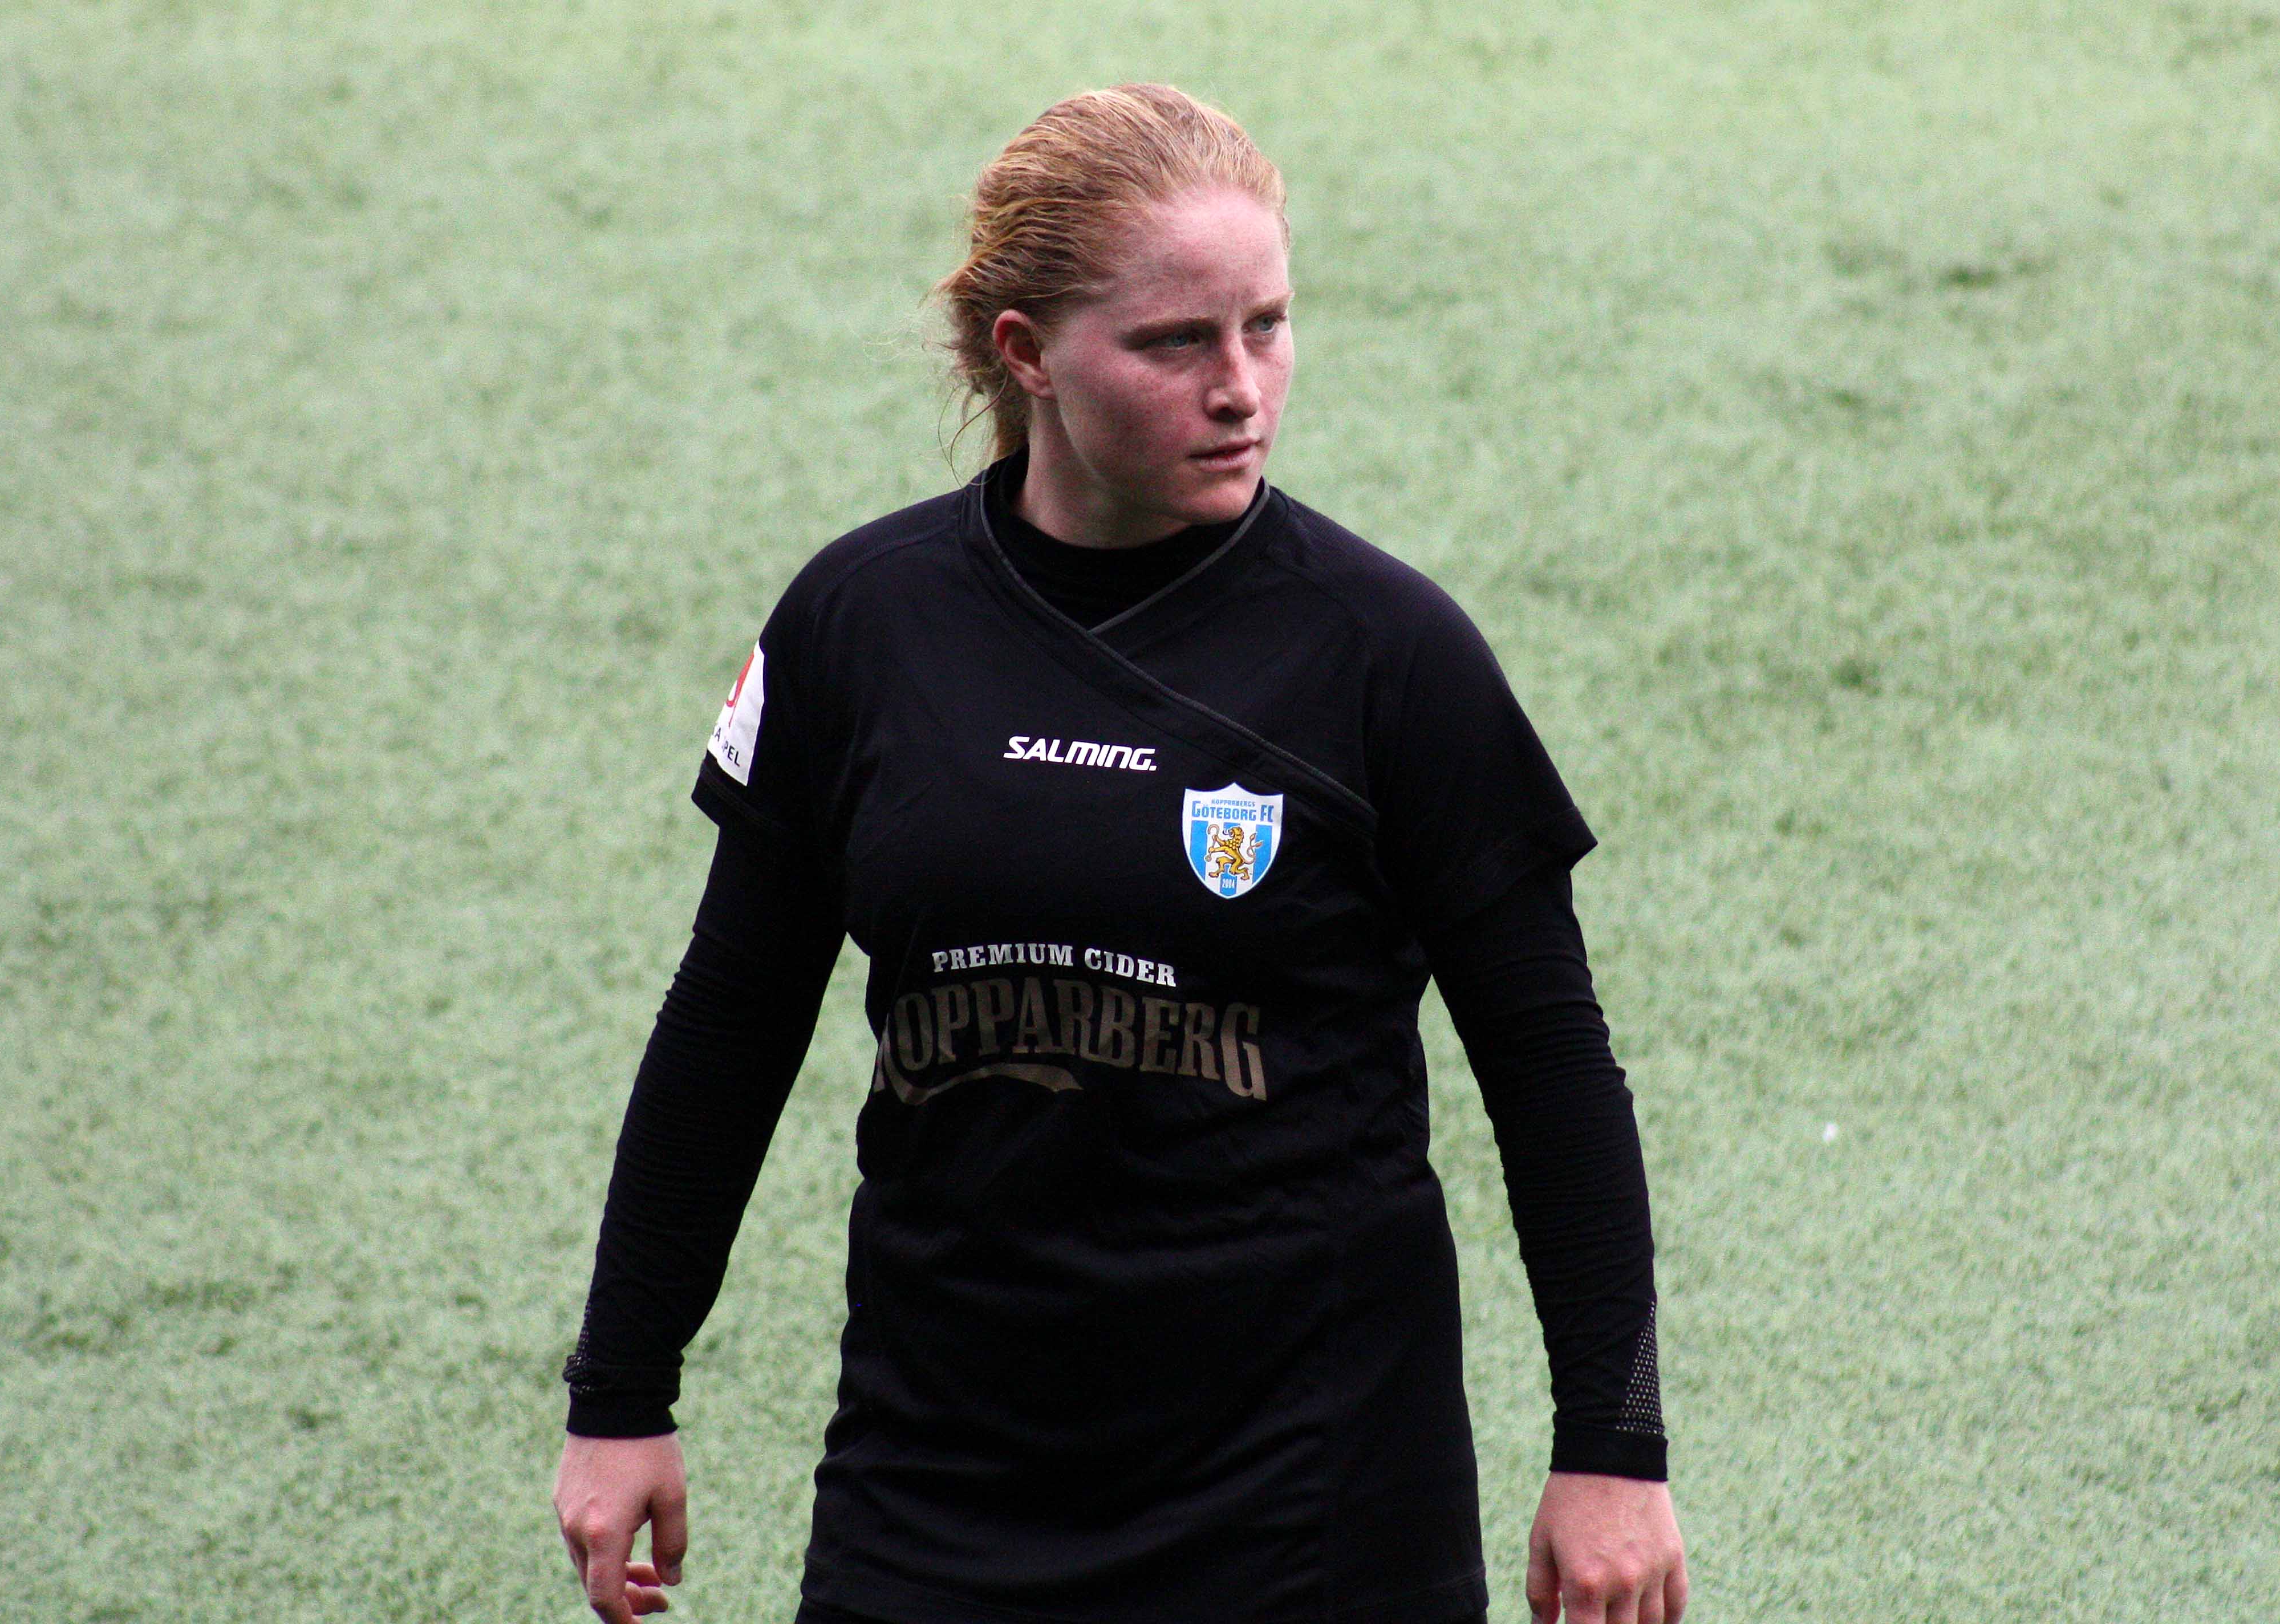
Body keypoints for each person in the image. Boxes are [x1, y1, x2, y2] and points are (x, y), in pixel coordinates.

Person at [554, 84, 1687, 1624]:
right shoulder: (864, 626)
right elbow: (729, 1021)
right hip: (937, 1486)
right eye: (1176, 343)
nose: (1243, 389)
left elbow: (1553, 1068)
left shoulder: (1386, 654)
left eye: (1269, 327)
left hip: (1313, 1502)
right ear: (1027, 354)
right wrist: (620, 1390)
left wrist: (1614, 1449)